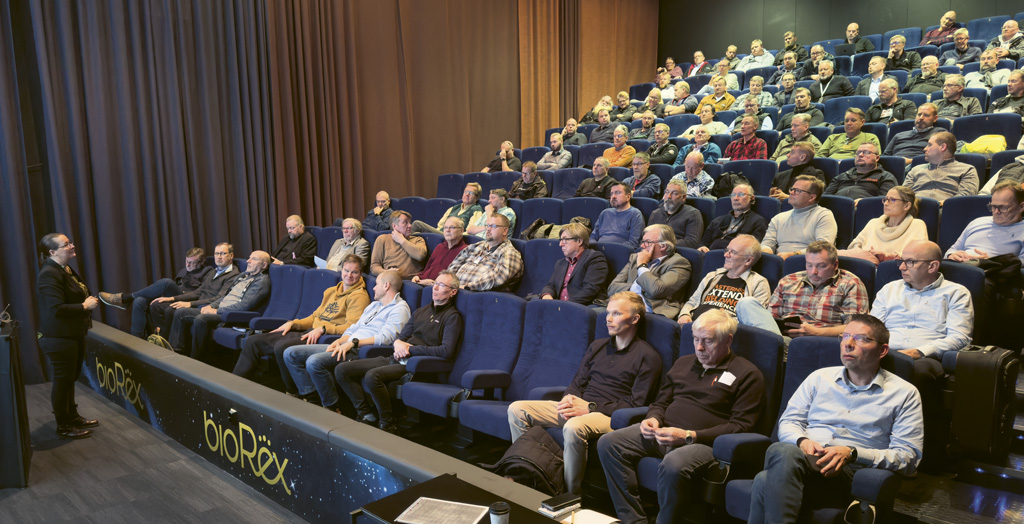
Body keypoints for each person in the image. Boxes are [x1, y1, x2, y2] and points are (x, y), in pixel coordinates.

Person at [747, 315, 923, 524]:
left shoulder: (904, 393)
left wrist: (853, 453)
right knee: (782, 453)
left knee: (765, 479)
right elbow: (789, 421)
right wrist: (802, 442)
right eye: (845, 336)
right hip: (803, 462)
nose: (848, 344)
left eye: (860, 339)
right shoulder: (819, 378)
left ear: (882, 350)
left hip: (849, 474)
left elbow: (908, 457)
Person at [598, 309, 765, 524]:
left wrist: (689, 435)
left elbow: (741, 426)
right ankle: (633, 520)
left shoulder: (747, 374)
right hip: (664, 432)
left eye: (708, 341)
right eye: (695, 339)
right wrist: (654, 418)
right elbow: (661, 402)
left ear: (728, 340)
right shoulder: (683, 363)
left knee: (674, 463)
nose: (700, 347)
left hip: (704, 444)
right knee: (609, 443)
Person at [509, 291, 661, 495]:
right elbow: (577, 383)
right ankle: (529, 473)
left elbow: (635, 404)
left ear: (635, 319)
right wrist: (568, 399)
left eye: (616, 313)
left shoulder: (648, 356)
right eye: (608, 313)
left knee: (573, 426)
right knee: (517, 409)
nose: (608, 318)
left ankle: (568, 494)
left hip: (608, 416)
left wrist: (589, 408)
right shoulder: (597, 346)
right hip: (580, 407)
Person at [334, 270, 463, 433]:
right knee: (342, 370)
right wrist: (398, 345)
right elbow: (400, 337)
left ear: (453, 292)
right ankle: (366, 414)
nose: (435, 288)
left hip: (417, 365)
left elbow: (446, 351)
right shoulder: (420, 312)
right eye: (435, 283)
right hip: (395, 357)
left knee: (372, 376)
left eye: (442, 285)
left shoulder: (452, 317)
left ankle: (387, 422)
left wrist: (410, 349)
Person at [232, 254, 368, 393]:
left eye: (354, 272)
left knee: (281, 347)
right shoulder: (331, 291)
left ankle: (292, 392)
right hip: (309, 332)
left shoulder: (359, 296)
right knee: (253, 341)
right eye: (346, 270)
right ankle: (233, 386)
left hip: (325, 338)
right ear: (341, 270)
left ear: (361, 273)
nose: (349, 275)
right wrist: (293, 324)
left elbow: (352, 327)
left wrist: (323, 329)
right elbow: (314, 316)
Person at [288, 270, 410, 416]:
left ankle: (332, 408)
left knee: (314, 362)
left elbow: (386, 338)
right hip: (347, 345)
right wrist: (339, 341)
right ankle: (312, 397)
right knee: (291, 354)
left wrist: (353, 343)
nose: (373, 288)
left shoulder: (400, 308)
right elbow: (354, 328)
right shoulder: (374, 306)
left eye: (376, 284)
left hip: (362, 351)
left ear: (386, 286)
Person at [36, 233, 100, 439]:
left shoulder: (65, 269)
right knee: (63, 381)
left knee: (70, 379)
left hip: (73, 334)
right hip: (58, 337)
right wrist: (84, 306)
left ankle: (72, 417)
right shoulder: (49, 274)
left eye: (70, 242)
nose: (72, 246)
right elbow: (55, 308)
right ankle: (63, 425)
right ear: (52, 252)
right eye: (66, 244)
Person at [738, 241, 869, 337]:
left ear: (835, 264)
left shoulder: (850, 283)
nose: (814, 272)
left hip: (821, 341)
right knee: (746, 303)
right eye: (809, 265)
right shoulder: (788, 280)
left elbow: (856, 327)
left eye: (821, 266)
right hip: (781, 337)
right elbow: (771, 318)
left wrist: (816, 332)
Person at [172, 251, 273, 360]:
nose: (248, 261)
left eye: (253, 259)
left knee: (201, 319)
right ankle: (176, 351)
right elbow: (225, 296)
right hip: (220, 309)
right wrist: (211, 306)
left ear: (263, 265)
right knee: (181, 312)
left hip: (232, 314)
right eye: (249, 258)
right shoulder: (243, 275)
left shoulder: (261, 282)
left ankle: (197, 358)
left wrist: (216, 311)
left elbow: (244, 306)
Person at [97, 246, 214, 338]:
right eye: (186, 261)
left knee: (167, 283)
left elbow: (201, 293)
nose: (188, 265)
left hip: (187, 300)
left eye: (192, 263)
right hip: (173, 296)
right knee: (140, 300)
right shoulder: (184, 270)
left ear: (201, 262)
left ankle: (126, 298)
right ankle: (137, 340)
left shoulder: (208, 272)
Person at [149, 243, 238, 341]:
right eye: (216, 254)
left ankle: (172, 346)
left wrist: (190, 304)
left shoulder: (233, 275)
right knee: (157, 305)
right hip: (198, 303)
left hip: (207, 307)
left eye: (223, 253)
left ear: (231, 255)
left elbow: (219, 298)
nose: (219, 257)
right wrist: (172, 298)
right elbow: (198, 292)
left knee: (174, 311)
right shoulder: (214, 271)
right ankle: (163, 339)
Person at [678, 235, 770, 323]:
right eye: (727, 250)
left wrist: (721, 324)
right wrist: (685, 315)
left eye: (732, 252)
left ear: (748, 260)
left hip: (724, 332)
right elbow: (692, 302)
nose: (725, 255)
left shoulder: (759, 283)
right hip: (694, 325)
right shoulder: (712, 276)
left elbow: (753, 320)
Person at [607, 225, 692, 318]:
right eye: (643, 241)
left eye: (647, 242)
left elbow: (656, 290)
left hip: (653, 311)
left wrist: (642, 265)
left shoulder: (679, 263)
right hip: (623, 305)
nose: (642, 246)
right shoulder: (635, 258)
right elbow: (612, 288)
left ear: (663, 246)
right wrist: (640, 286)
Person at [945, 181, 1024, 266]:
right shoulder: (977, 222)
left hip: (990, 274)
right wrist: (952, 255)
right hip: (958, 268)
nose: (996, 212)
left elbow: (1021, 265)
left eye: (1003, 207)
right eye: (993, 207)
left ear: (1021, 207)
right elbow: (952, 250)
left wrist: (990, 262)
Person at [843, 187, 928, 264]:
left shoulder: (917, 225)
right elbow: (853, 247)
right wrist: (866, 254)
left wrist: (886, 256)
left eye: (892, 200)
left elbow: (918, 255)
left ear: (906, 205)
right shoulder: (873, 223)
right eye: (885, 199)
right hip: (865, 267)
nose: (886, 203)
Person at [762, 176, 837, 259]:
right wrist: (767, 254)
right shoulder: (779, 218)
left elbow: (824, 247)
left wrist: (793, 255)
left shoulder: (823, 215)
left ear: (812, 197)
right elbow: (767, 243)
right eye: (792, 189)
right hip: (779, 262)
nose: (791, 192)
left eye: (797, 191)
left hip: (808, 263)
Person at [448, 214, 524, 291]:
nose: (488, 229)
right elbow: (455, 264)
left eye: (493, 226)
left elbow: (498, 278)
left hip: (475, 294)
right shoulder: (475, 246)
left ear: (505, 231)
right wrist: (447, 283)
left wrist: (467, 287)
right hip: (453, 289)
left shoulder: (509, 253)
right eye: (488, 226)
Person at [540, 222, 609, 305]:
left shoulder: (595, 258)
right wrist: (547, 296)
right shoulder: (561, 263)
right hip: (558, 305)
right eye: (560, 240)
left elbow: (590, 290)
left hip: (580, 306)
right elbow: (550, 285)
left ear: (579, 241)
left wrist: (564, 306)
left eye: (565, 239)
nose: (560, 244)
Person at [903, 131, 979, 203]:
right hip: (913, 208)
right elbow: (903, 195)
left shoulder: (967, 170)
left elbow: (966, 196)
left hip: (946, 209)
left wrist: (944, 203)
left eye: (929, 145)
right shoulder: (916, 169)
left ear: (942, 147)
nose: (925, 148)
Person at [701, 184, 769, 251]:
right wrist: (702, 247)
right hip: (709, 255)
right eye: (733, 195)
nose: (736, 198)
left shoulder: (759, 222)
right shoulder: (717, 220)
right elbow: (703, 243)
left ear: (752, 198)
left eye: (741, 194)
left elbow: (752, 249)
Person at [825, 143, 898, 199]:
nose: (860, 155)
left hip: (865, 211)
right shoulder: (842, 176)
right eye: (858, 152)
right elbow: (825, 198)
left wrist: (865, 202)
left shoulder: (885, 177)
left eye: (866, 152)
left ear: (877, 158)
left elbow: (887, 201)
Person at [369, 210, 428, 278]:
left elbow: (420, 256)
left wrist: (401, 240)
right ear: (394, 226)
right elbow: (374, 266)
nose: (410, 225)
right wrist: (386, 272)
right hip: (389, 279)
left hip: (410, 281)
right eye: (405, 222)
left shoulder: (418, 240)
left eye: (410, 222)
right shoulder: (382, 239)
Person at [411, 217, 469, 286]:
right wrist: (418, 276)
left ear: (461, 231)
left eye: (452, 227)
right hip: (422, 282)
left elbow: (458, 280)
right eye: (445, 227)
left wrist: (434, 283)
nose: (448, 230)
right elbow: (426, 269)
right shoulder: (440, 247)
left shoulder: (465, 251)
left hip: (438, 287)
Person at [649, 180, 704, 249]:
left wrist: (663, 244)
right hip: (653, 250)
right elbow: (647, 236)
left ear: (683, 197)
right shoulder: (656, 213)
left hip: (677, 252)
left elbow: (692, 242)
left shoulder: (693, 214)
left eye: (674, 193)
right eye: (667, 192)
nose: (668, 196)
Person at [590, 183, 645, 251]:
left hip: (620, 253)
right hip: (599, 252)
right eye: (611, 193)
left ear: (628, 197)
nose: (613, 196)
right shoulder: (605, 213)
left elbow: (634, 243)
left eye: (617, 193)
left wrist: (611, 250)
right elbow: (593, 237)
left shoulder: (635, 214)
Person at [412, 183, 482, 235]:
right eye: (466, 192)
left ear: (477, 197)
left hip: (453, 236)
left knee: (417, 225)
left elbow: (470, 232)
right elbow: (440, 226)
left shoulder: (476, 210)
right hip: (442, 234)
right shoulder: (453, 208)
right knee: (417, 234)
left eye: (471, 193)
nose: (467, 194)